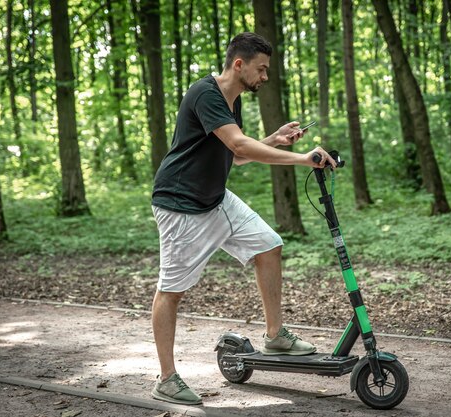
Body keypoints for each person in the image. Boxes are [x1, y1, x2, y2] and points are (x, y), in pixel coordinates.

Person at [150, 32, 337, 405]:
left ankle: (275, 335)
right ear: (239, 64)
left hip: (215, 198)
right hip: (180, 205)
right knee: (171, 292)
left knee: (269, 244)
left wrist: (273, 140)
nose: (265, 77)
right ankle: (167, 379)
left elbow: (235, 155)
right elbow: (237, 144)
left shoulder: (230, 100)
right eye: (261, 69)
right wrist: (303, 159)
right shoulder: (205, 93)